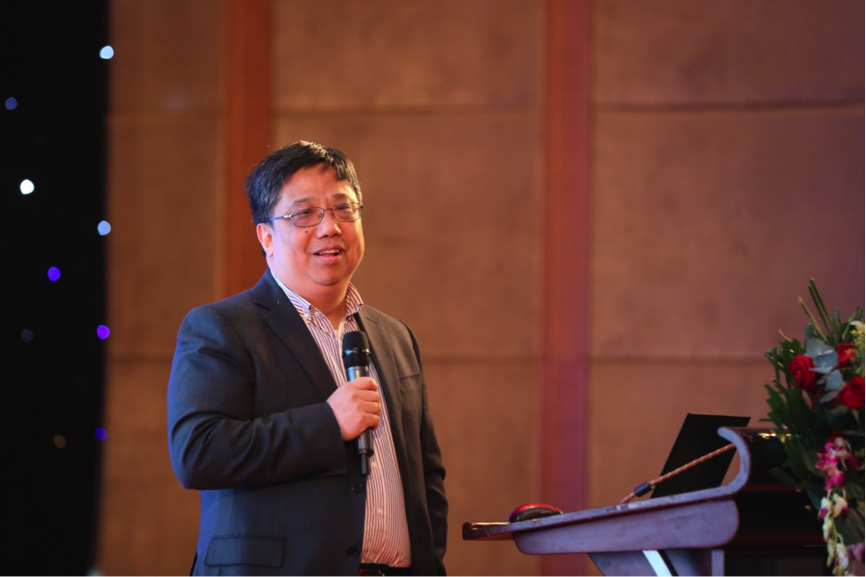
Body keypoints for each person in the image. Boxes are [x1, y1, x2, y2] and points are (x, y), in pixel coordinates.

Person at [167, 141, 447, 577]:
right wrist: (328, 424)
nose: (329, 227)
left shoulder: (396, 337)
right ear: (266, 237)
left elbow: (426, 479)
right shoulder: (223, 327)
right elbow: (198, 451)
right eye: (304, 214)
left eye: (343, 209)